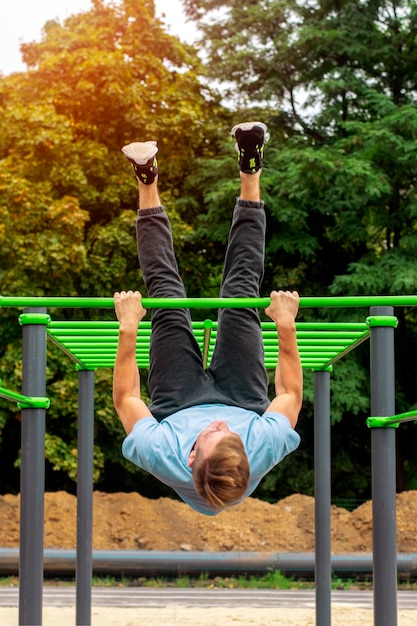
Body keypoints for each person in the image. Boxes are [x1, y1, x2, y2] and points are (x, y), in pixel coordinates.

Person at [113, 122, 303, 516]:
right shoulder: (262, 444)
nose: (219, 424)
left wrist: (128, 328)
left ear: (191, 454)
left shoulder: (161, 452)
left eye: (214, 434)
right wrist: (286, 325)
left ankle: (146, 177)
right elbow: (290, 395)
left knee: (166, 297)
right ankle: (251, 167)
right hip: (242, 398)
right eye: (228, 434)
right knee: (240, 293)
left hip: (177, 404)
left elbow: (126, 398)